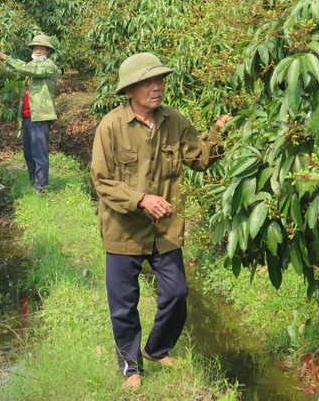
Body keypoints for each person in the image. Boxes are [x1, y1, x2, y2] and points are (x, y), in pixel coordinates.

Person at [90, 52, 230, 390]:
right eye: (148, 82)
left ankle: (156, 349)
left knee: (176, 293)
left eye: (160, 80)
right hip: (123, 229)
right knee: (124, 304)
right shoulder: (111, 126)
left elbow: (200, 158)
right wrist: (140, 199)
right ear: (130, 89)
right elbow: (102, 179)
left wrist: (220, 133)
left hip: (164, 229)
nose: (157, 87)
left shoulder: (174, 121)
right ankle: (131, 368)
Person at [0, 34, 58, 193]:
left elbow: (25, 68)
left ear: (47, 50)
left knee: (39, 153)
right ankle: (33, 181)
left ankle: (41, 187)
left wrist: (5, 56)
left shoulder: (48, 66)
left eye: (41, 48)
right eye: (36, 47)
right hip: (28, 116)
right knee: (28, 152)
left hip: (40, 117)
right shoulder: (30, 66)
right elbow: (14, 74)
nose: (38, 50)